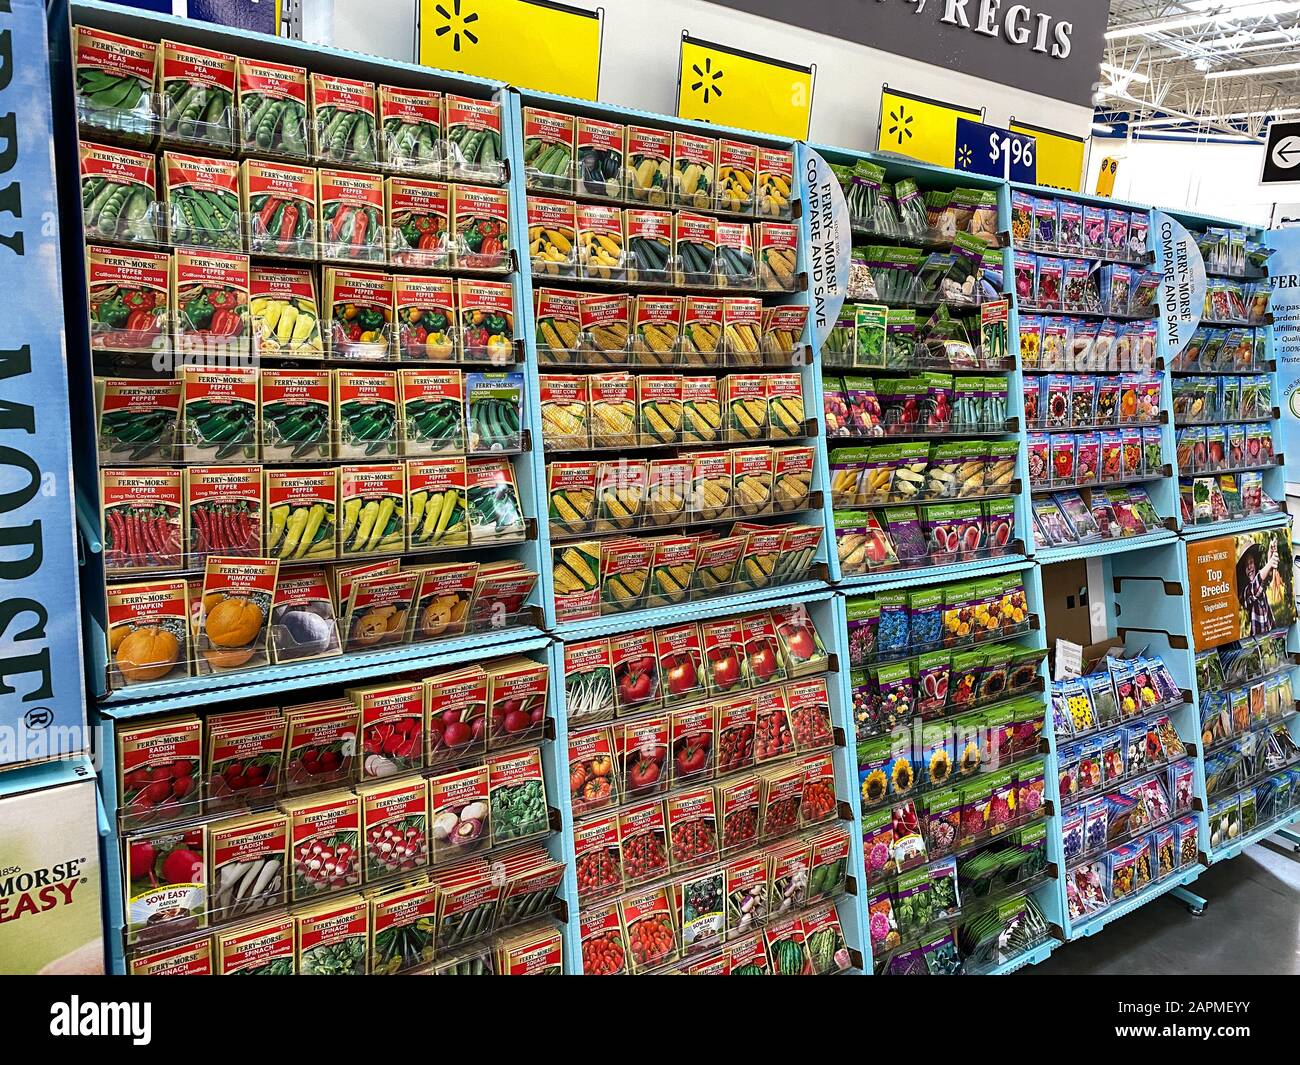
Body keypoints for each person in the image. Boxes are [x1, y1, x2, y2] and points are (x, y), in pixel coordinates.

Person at [1236, 536, 1280, 636]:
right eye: (1246, 565)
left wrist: (1270, 554)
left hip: (1271, 634)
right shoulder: (1246, 593)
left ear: (1255, 564)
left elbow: (1266, 578)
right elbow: (1256, 585)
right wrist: (1270, 563)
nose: (1249, 567)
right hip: (1259, 643)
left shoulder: (1261, 583)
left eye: (1251, 562)